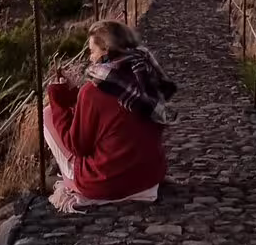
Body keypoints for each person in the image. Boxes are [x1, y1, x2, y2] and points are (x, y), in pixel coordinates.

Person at [44, 20, 177, 212]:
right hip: (149, 176)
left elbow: (78, 146)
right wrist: (75, 96)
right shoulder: (146, 74)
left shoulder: (92, 91)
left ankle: (71, 182)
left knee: (48, 115)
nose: (90, 58)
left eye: (92, 51)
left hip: (106, 183)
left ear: (105, 50)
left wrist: (57, 99)